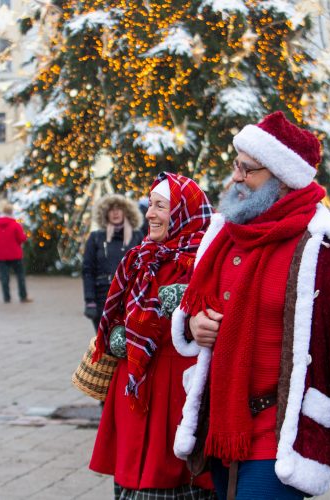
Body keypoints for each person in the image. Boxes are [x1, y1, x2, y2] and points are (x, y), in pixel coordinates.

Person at [171, 112, 330, 499]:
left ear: (282, 178)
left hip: (283, 432)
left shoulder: (328, 252)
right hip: (221, 425)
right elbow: (197, 305)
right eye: (236, 164)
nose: (236, 176)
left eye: (249, 169)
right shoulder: (225, 235)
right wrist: (192, 325)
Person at [89, 172, 215, 499]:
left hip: (173, 391)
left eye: (160, 206)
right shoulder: (142, 255)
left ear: (183, 212)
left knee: (169, 477)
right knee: (130, 474)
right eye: (151, 204)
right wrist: (117, 333)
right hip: (133, 387)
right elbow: (117, 311)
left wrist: (186, 309)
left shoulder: (206, 259)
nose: (149, 213)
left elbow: (218, 314)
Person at [82, 194, 143, 331]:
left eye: (119, 208)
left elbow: (145, 267)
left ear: (126, 211)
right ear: (105, 213)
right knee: (104, 345)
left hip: (130, 297)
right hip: (103, 295)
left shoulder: (137, 236)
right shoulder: (96, 237)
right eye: (111, 209)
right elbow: (88, 270)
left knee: (126, 344)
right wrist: (89, 301)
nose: (115, 212)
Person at [0, 204, 31, 303]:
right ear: (11, 212)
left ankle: (6, 297)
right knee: (20, 276)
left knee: (4, 277)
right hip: (15, 254)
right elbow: (21, 238)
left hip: (1, 255)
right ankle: (23, 296)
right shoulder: (15, 224)